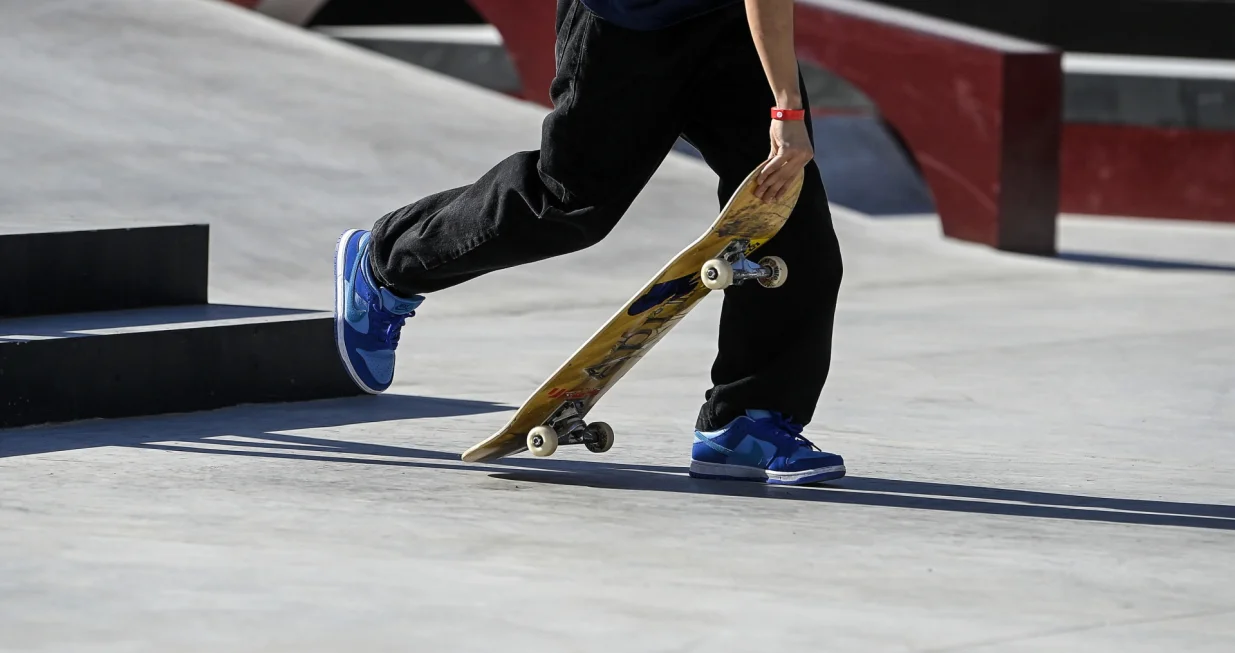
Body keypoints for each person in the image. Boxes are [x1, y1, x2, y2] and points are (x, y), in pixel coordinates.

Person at [333, 0, 846, 485]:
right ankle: (389, 260)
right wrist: (787, 109)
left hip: (731, 28)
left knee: (783, 210)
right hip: (627, 25)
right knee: (567, 205)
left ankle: (747, 420)